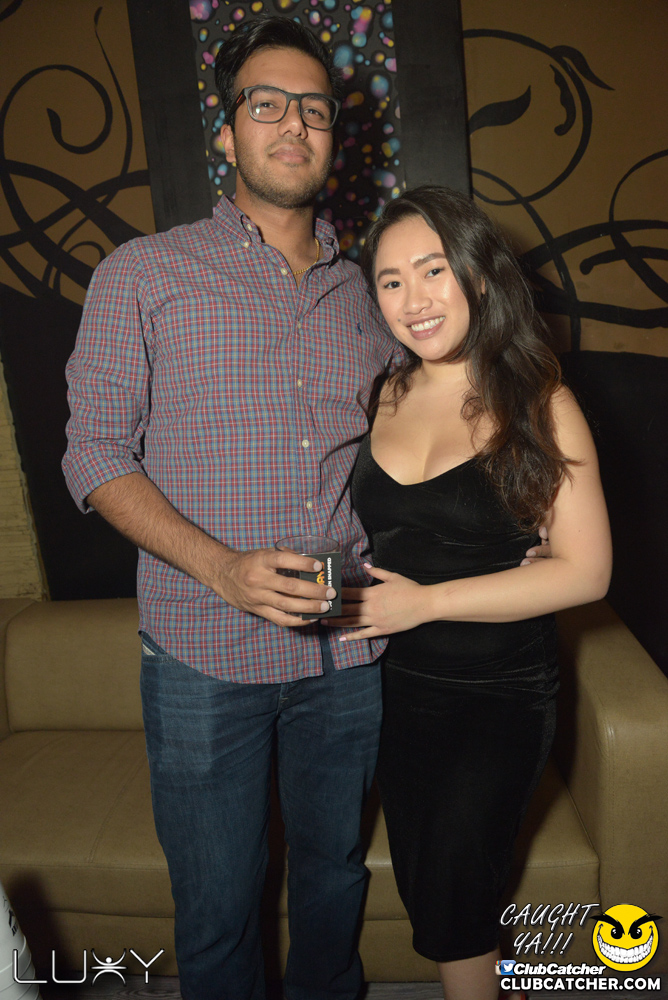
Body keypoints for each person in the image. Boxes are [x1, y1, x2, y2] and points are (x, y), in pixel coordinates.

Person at [331, 186, 612, 1000]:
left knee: (456, 883)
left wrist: (427, 602)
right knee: (435, 886)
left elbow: (587, 571)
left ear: (479, 277)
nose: (413, 299)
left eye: (433, 270)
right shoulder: (379, 393)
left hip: (499, 693)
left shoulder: (540, 401)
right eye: (390, 281)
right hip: (389, 691)